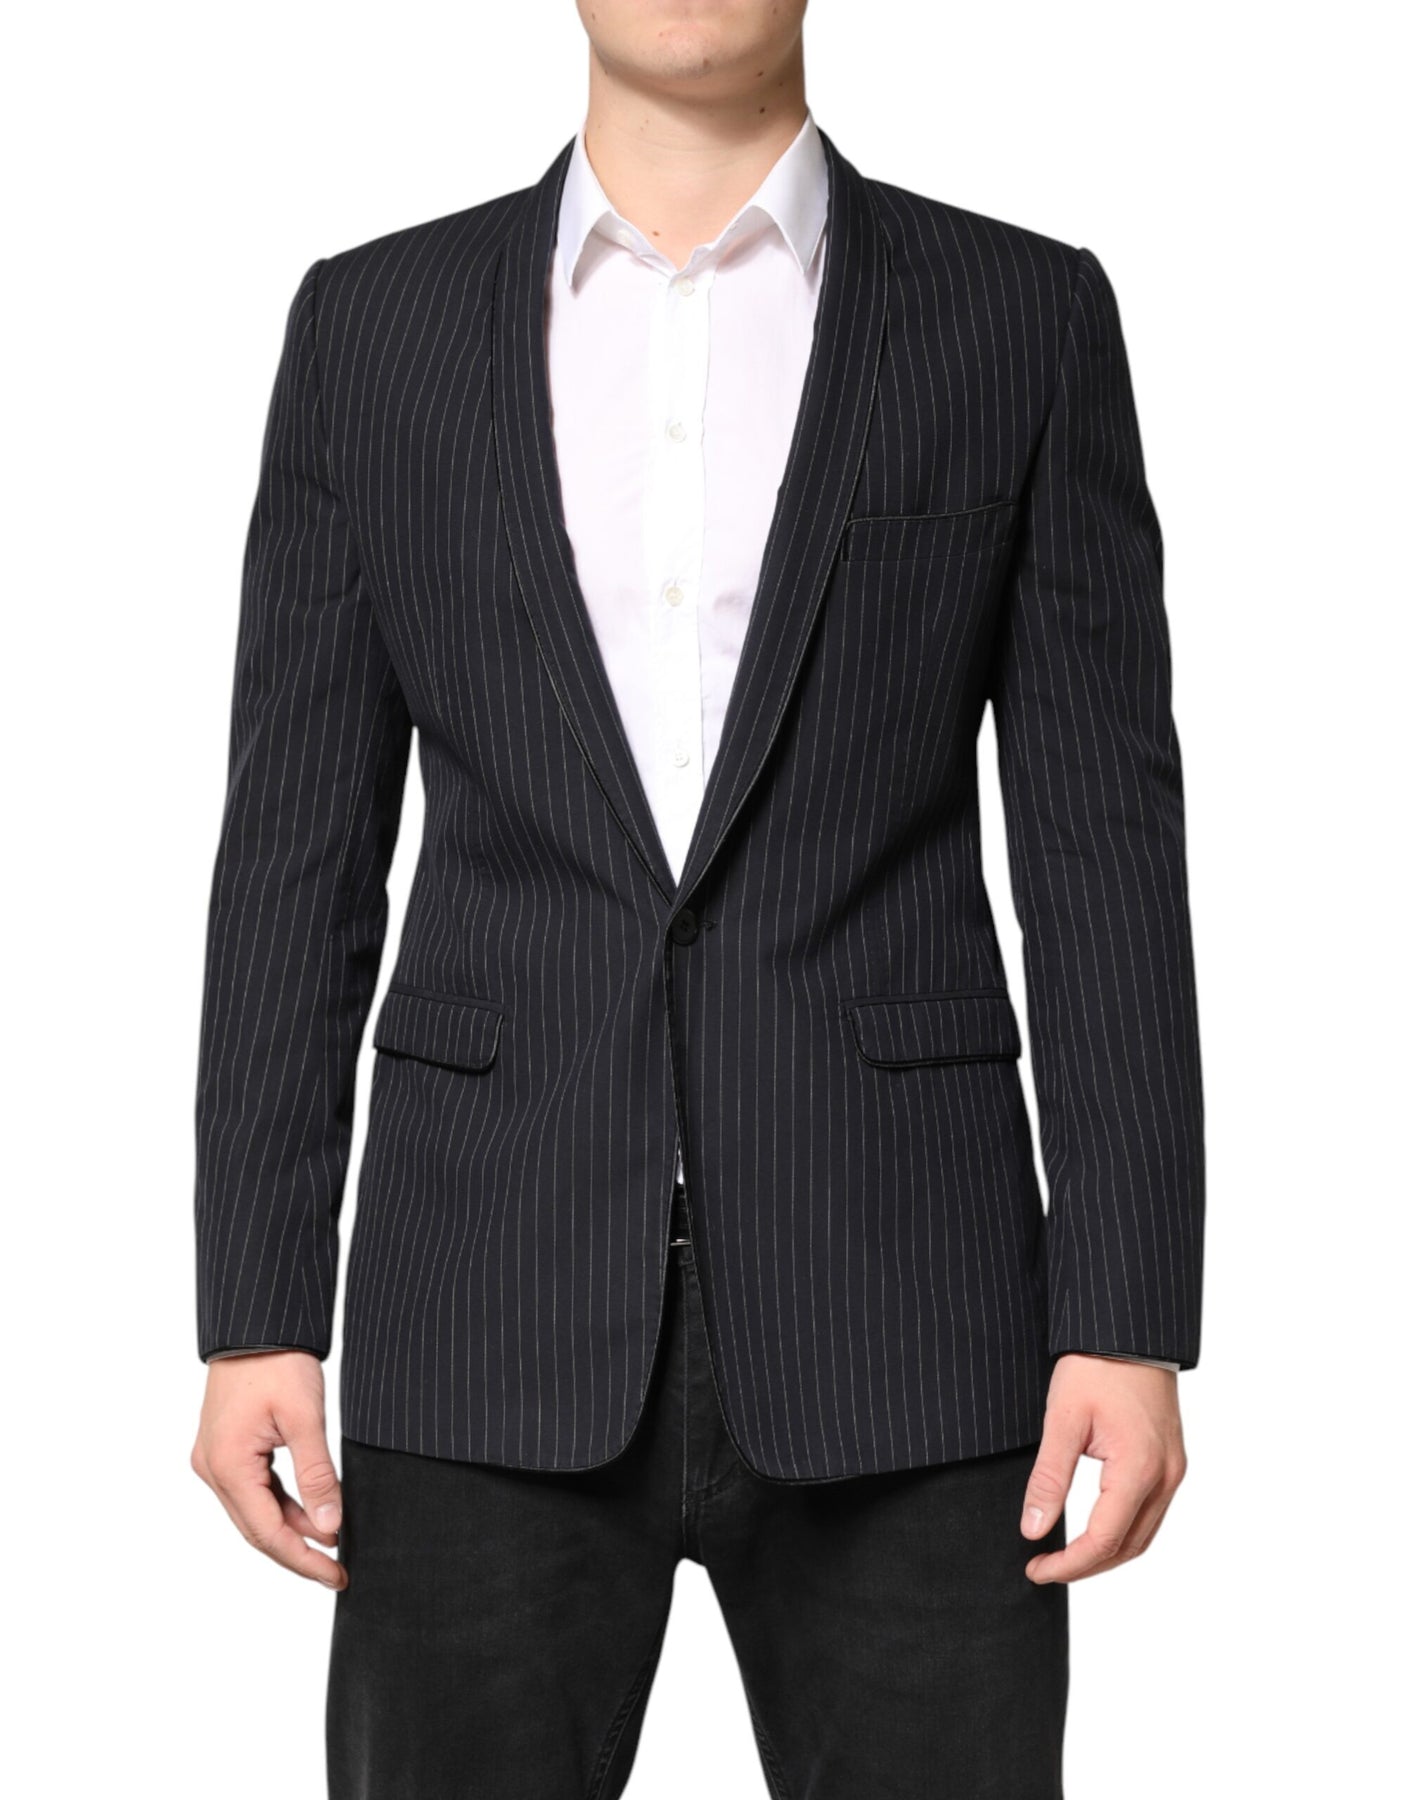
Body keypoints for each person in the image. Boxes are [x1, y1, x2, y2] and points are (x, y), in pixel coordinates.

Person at [190, 3, 1204, 1794]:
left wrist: (1126, 1312)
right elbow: (296, 845)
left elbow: (1102, 844)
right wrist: (255, 1304)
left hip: (915, 1314)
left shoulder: (1019, 319)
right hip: (478, 1303)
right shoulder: (372, 328)